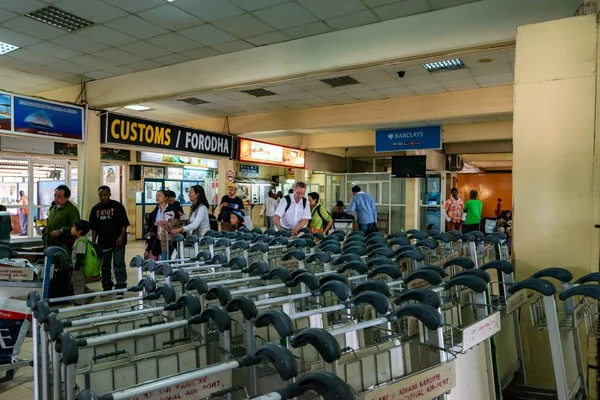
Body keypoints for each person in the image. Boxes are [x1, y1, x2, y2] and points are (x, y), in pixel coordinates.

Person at [89, 186, 130, 295]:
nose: (103, 197)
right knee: (105, 265)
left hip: (118, 241)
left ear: (110, 194)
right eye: (100, 195)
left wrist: (121, 237)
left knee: (118, 263)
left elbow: (124, 224)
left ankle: (120, 286)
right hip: (103, 242)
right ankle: (106, 286)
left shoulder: (118, 206)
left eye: (105, 195)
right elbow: (94, 228)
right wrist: (94, 241)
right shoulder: (95, 209)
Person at [44, 185, 80, 299]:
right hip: (50, 243)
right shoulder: (53, 207)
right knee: (51, 270)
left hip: (63, 245)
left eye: (59, 196)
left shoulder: (72, 210)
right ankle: (52, 292)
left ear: (67, 197)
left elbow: (76, 228)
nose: (56, 198)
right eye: (55, 195)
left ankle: (65, 294)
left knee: (63, 270)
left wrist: (61, 231)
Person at [71, 220, 101, 303]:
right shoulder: (81, 240)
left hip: (79, 267)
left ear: (79, 231)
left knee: (78, 284)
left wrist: (76, 269)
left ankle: (79, 302)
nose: (71, 229)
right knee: (78, 282)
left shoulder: (81, 242)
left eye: (74, 227)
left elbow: (80, 257)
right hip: (78, 267)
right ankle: (89, 294)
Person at [146, 190, 179, 261]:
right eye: (156, 195)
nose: (157, 197)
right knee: (156, 259)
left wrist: (164, 224)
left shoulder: (171, 210)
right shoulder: (156, 210)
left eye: (160, 196)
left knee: (164, 259)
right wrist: (151, 231)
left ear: (166, 198)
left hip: (167, 239)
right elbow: (153, 224)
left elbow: (174, 224)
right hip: (157, 239)